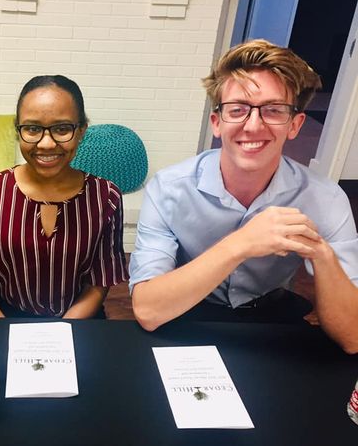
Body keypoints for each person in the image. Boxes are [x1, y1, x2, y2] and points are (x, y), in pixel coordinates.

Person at [129, 39, 358, 353]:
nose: (253, 125)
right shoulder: (169, 187)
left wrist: (323, 256)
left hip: (271, 318)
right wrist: (242, 244)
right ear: (217, 123)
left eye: (273, 110)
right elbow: (147, 311)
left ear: (295, 124)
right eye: (237, 110)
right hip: (187, 309)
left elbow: (353, 337)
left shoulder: (326, 198)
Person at [0, 75, 128, 318]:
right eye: (33, 129)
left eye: (62, 128)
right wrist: (4, 330)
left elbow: (98, 282)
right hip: (1, 317)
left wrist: (61, 332)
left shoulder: (105, 197)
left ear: (81, 131)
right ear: (18, 131)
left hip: (78, 319)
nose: (46, 143)